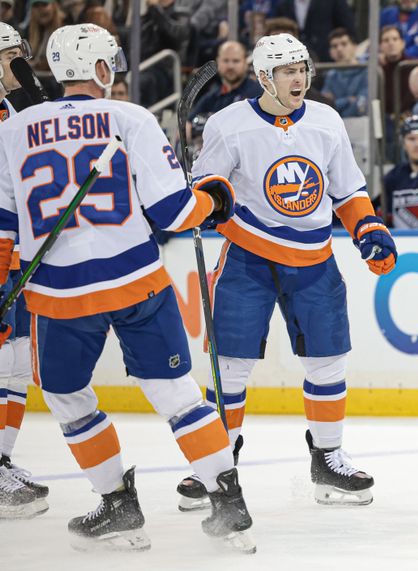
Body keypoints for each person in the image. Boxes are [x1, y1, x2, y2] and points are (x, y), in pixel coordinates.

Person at [0, 24, 254, 551]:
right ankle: (228, 500)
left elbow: (4, 227)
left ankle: (117, 503)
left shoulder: (12, 131)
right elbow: (175, 212)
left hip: (59, 297)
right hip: (137, 282)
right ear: (98, 69)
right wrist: (215, 197)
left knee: (68, 399)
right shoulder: (129, 117)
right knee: (178, 396)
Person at [177, 33, 396, 510]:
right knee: (231, 365)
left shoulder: (326, 120)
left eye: (302, 68)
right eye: (287, 71)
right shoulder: (229, 124)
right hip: (247, 257)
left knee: (328, 360)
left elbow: (348, 190)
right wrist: (209, 202)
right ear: (263, 77)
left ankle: (328, 459)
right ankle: (216, 465)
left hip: (314, 260)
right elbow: (209, 186)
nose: (299, 78)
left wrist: (369, 230)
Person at [0, 21, 49, 520]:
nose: (18, 65)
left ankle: (2, 459)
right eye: (7, 56)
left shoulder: (19, 109)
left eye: (20, 53)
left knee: (17, 361)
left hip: (20, 253)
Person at [189, 41, 263, 121]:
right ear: (218, 62)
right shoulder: (211, 97)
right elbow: (187, 125)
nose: (230, 66)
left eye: (236, 61)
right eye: (225, 60)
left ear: (245, 63)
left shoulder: (258, 94)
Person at [321, 28, 368, 118]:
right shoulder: (330, 76)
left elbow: (361, 106)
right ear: (330, 52)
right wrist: (348, 100)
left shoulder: (366, 71)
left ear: (355, 46)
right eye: (334, 46)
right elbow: (325, 107)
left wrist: (337, 107)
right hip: (335, 127)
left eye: (344, 44)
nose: (339, 49)